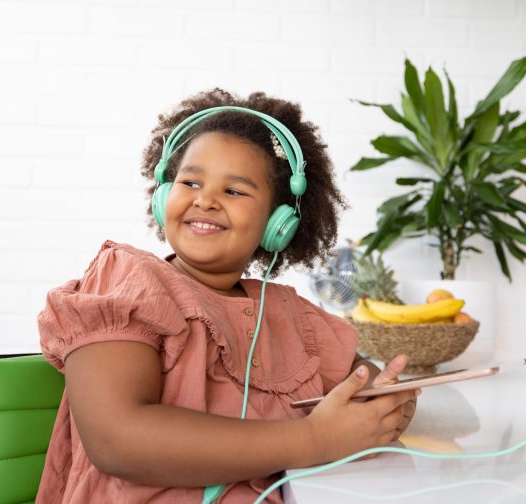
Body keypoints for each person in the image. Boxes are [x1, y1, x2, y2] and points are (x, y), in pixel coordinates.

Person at [36, 88, 418, 503]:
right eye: (190, 182)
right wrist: (314, 439)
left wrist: (383, 405)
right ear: (165, 194)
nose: (206, 199)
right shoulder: (128, 282)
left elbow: (359, 381)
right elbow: (117, 439)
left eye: (234, 191)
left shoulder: (286, 314)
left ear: (279, 222)